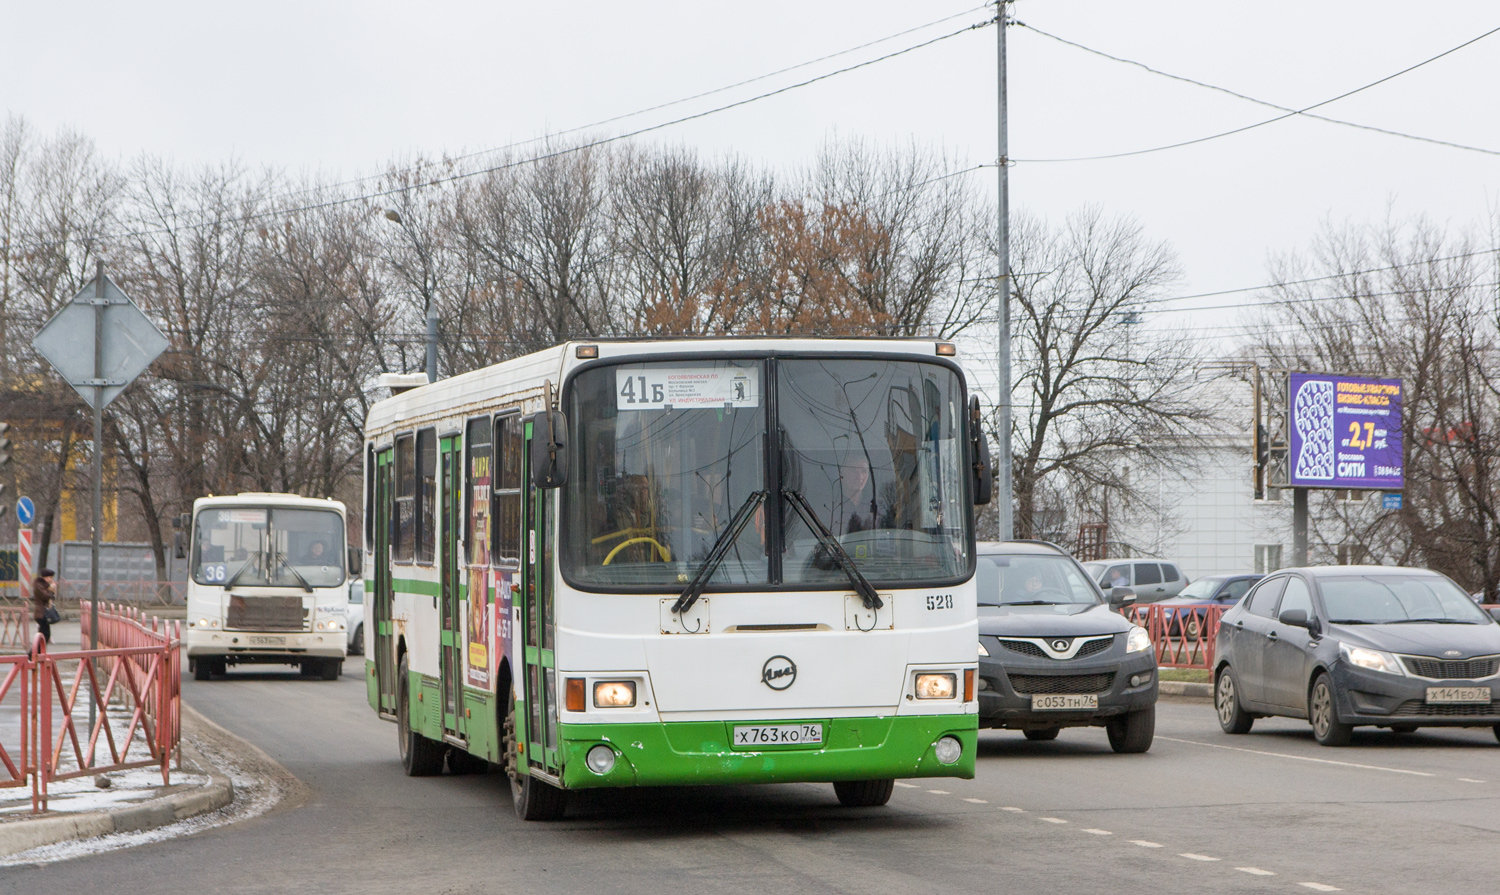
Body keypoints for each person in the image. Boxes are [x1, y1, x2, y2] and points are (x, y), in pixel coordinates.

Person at [31, 568, 57, 644]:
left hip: (43, 613)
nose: (51, 580)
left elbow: (50, 597)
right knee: (45, 635)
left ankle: (37, 653)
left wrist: (52, 591)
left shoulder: (44, 585)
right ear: (45, 577)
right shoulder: (38, 585)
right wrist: (51, 590)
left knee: (44, 635)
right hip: (41, 613)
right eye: (50, 578)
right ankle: (33, 653)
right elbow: (45, 596)